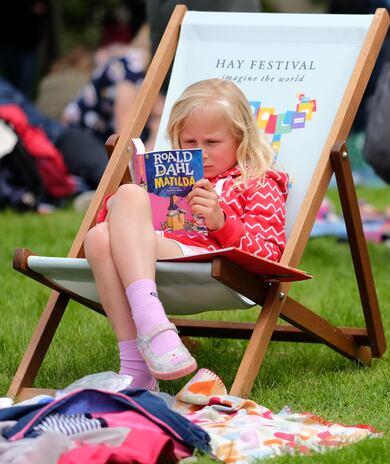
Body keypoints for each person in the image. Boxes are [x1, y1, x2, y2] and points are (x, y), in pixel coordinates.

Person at [84, 79, 289, 390]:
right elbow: (112, 229)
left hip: (206, 261)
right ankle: (139, 362)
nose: (200, 153)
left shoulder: (257, 183)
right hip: (149, 255)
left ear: (241, 138)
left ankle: (151, 333)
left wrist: (221, 222)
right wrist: (118, 207)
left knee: (122, 207)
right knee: (100, 235)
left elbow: (269, 255)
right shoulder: (167, 176)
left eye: (211, 142)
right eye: (189, 142)